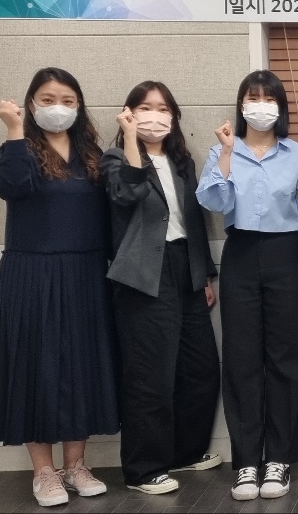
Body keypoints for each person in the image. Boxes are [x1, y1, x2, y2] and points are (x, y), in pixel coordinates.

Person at [0, 67, 117, 508]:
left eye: (66, 100)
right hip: (31, 271)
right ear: (30, 104)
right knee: (35, 366)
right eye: (47, 99)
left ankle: (75, 465)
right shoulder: (19, 148)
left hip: (85, 272)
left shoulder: (91, 154)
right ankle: (43, 472)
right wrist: (13, 130)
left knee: (81, 366)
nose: (57, 108)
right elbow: (12, 188)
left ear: (79, 106)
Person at [197, 70, 298, 501]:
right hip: (241, 253)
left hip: (287, 255)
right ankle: (247, 461)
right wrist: (227, 153)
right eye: (253, 97)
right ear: (242, 104)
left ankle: (279, 460)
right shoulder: (223, 150)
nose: (261, 106)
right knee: (241, 359)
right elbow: (214, 201)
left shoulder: (296, 154)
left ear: (280, 106)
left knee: (285, 359)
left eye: (269, 98)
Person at [101, 81, 222, 496]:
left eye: (163, 108)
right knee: (149, 374)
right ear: (130, 113)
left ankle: (184, 452)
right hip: (143, 273)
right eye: (146, 108)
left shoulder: (181, 161)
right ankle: (143, 469)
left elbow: (195, 221)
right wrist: (130, 138)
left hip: (186, 268)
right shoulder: (116, 158)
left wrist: (204, 275)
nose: (156, 115)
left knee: (200, 368)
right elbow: (127, 193)